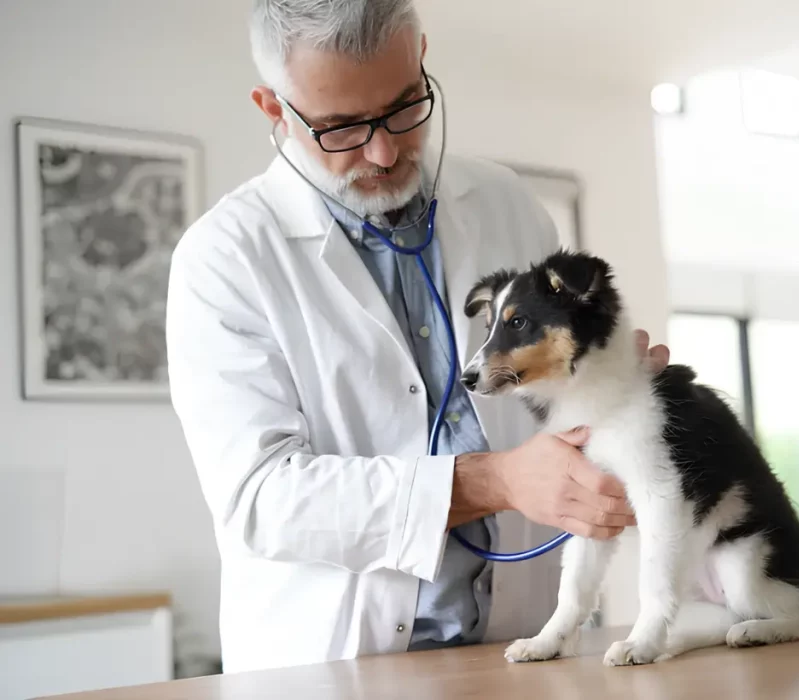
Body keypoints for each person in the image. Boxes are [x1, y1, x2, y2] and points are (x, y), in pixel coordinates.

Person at [165, 0, 670, 673]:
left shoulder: (505, 204)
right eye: (342, 127)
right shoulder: (225, 259)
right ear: (273, 110)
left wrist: (612, 399)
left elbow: (554, 397)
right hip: (335, 666)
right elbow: (262, 499)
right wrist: (496, 482)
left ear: (421, 58)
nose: (384, 150)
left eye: (405, 107)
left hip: (516, 649)